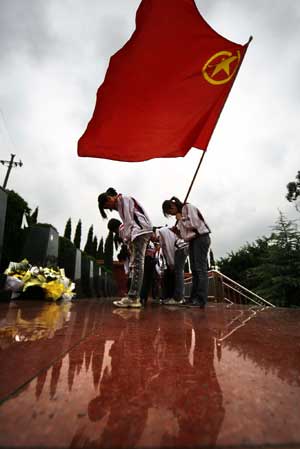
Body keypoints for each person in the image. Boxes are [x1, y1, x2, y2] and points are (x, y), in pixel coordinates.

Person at [98, 188, 153, 308]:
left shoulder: (122, 200)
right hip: (141, 230)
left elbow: (128, 222)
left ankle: (133, 297)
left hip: (140, 231)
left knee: (138, 264)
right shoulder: (122, 202)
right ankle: (133, 296)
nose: (111, 209)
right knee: (137, 264)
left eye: (108, 207)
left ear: (109, 199)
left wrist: (128, 239)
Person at [162, 196, 211, 308]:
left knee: (200, 269)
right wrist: (177, 233)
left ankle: (200, 299)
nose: (172, 214)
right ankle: (193, 298)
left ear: (173, 206)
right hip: (192, 241)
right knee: (194, 270)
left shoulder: (188, 207)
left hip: (201, 238)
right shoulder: (180, 215)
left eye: (170, 211)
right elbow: (185, 235)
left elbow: (195, 224)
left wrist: (181, 219)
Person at [158, 226, 189, 305]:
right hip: (182, 247)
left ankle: (178, 298)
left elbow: (169, 247)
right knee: (179, 272)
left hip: (180, 248)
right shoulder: (165, 231)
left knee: (178, 272)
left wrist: (171, 263)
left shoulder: (161, 231)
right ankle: (179, 297)